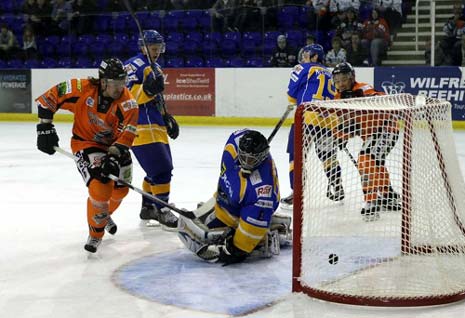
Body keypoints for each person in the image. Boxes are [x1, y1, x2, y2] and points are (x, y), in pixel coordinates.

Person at [35, 58, 139, 253]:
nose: (120, 88)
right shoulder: (81, 88)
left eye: (123, 82)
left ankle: (102, 213)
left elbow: (128, 134)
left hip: (116, 146)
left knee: (121, 191)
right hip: (87, 143)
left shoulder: (129, 104)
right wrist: (44, 127)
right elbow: (49, 97)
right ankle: (96, 233)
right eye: (115, 83)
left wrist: (114, 156)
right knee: (101, 188)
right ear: (103, 81)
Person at [177, 129, 291, 265]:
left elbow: (245, 240)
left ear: (262, 157)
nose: (247, 162)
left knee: (196, 236)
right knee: (190, 225)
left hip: (249, 209)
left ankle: (267, 235)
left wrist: (235, 249)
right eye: (244, 157)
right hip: (227, 202)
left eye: (252, 159)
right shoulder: (236, 143)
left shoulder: (262, 193)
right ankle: (269, 223)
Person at [124, 30, 179, 228]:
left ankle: (148, 207)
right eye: (153, 48)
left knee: (154, 170)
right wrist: (146, 89)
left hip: (154, 123)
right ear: (142, 47)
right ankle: (162, 209)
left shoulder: (154, 66)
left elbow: (157, 96)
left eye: (159, 48)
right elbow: (125, 95)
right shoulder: (135, 65)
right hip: (140, 125)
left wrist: (166, 116)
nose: (156, 52)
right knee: (162, 170)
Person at [332, 62, 400, 221]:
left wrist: (364, 99)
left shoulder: (363, 88)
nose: (341, 83)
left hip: (386, 129)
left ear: (352, 77)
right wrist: (341, 137)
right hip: (370, 135)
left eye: (344, 79)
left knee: (365, 158)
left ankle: (371, 202)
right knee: (376, 162)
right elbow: (346, 124)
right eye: (337, 80)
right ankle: (387, 194)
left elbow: (383, 98)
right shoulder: (337, 98)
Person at [281, 43, 340, 207]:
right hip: (328, 120)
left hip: (306, 118)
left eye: (307, 55)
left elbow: (291, 97)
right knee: (328, 157)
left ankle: (297, 193)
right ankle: (337, 186)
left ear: (315, 57)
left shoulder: (303, 68)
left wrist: (299, 96)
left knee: (296, 155)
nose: (304, 58)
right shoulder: (329, 73)